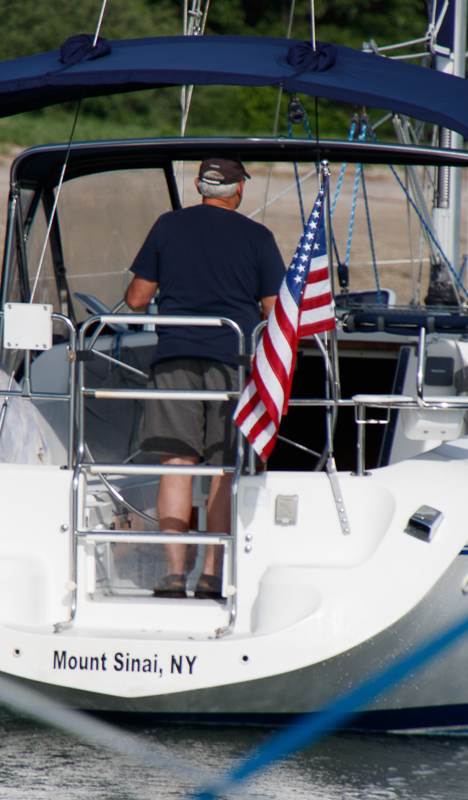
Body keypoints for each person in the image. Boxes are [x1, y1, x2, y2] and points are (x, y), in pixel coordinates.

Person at [124, 157, 285, 599]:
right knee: (222, 469)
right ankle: (213, 576)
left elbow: (137, 299)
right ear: (238, 191)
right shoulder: (258, 236)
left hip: (174, 355)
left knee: (176, 466)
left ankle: (174, 575)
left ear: (199, 186)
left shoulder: (167, 226)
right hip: (231, 361)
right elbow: (274, 311)